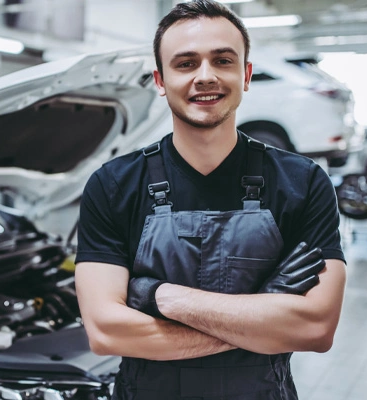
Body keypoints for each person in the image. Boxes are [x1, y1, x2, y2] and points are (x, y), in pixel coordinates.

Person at [74, 1, 347, 399]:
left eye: (222, 60)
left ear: (245, 74)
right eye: (185, 64)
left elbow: (316, 329)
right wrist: (263, 316)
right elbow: (106, 332)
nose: (206, 76)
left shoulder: (303, 182)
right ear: (160, 79)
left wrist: (159, 296)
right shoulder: (113, 184)